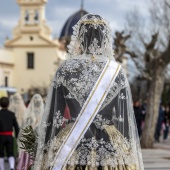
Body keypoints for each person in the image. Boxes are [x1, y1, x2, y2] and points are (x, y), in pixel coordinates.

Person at [32, 14, 144, 170]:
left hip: (72, 145)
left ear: (80, 37)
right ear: (105, 38)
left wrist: (45, 150)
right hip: (109, 145)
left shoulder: (65, 69)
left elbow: (54, 116)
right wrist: (126, 151)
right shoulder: (117, 71)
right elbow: (123, 118)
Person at [17, 94, 44, 170]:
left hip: (30, 139)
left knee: (29, 158)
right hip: (34, 139)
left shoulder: (28, 113)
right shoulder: (43, 113)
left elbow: (24, 127)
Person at [0, 97, 19, 170]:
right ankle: (11, 167)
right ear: (8, 104)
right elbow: (16, 127)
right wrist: (17, 136)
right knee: (10, 152)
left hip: (0, 136)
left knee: (0, 153)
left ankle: (2, 168)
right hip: (9, 136)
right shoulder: (11, 114)